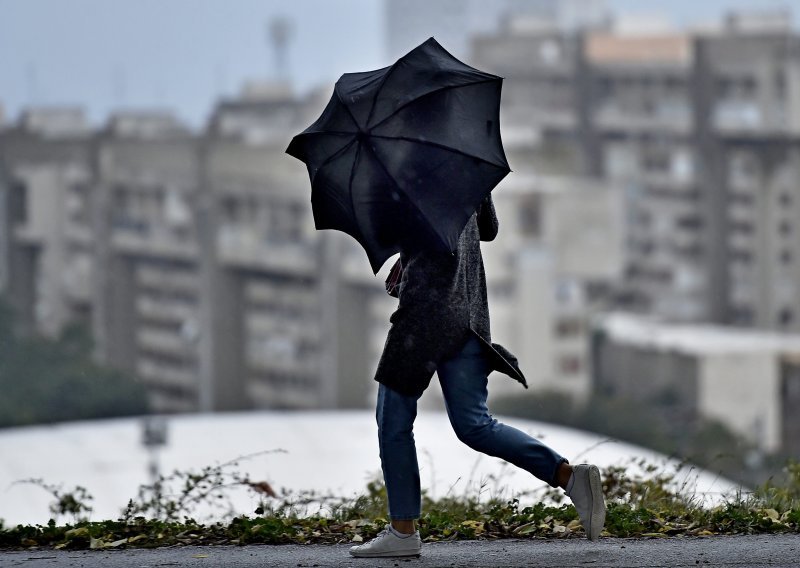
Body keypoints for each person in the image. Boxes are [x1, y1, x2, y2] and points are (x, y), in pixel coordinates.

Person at [349, 195, 606, 558]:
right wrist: (411, 259)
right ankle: (569, 477)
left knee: (392, 421)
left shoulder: (407, 175)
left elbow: (401, 231)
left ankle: (403, 530)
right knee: (474, 424)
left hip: (423, 319)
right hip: (466, 317)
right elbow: (488, 229)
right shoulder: (460, 169)